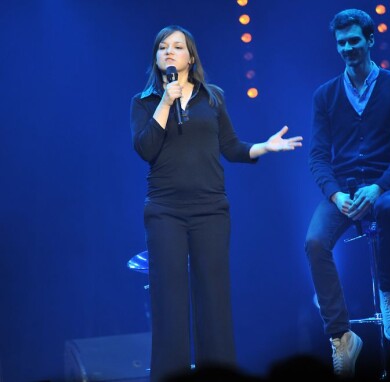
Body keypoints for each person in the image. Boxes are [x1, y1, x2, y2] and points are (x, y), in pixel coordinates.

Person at [130, 25, 303, 382]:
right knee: (170, 305)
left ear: (190, 57)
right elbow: (145, 149)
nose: (169, 52)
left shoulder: (212, 97)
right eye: (162, 47)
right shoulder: (144, 101)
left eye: (177, 47)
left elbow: (232, 147)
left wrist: (265, 147)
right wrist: (165, 101)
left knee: (214, 303)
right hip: (165, 212)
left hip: (211, 210)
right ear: (157, 58)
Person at [304, 9, 390, 377]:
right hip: (344, 192)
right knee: (314, 243)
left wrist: (379, 185)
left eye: (354, 40)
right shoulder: (325, 95)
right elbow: (319, 157)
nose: (348, 48)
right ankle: (341, 337)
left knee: (387, 209)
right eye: (341, 42)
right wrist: (336, 195)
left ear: (370, 40)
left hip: (386, 188)